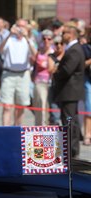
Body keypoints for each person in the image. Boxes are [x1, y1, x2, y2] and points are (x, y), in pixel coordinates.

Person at [53, 22, 85, 158]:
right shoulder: (73, 49)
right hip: (69, 91)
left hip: (69, 91)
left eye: (64, 33)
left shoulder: (75, 50)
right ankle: (72, 150)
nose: (62, 35)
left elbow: (67, 70)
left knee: (69, 121)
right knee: (71, 121)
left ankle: (71, 151)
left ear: (70, 34)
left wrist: (56, 72)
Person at [0, 18, 36, 126]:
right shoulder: (9, 39)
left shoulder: (28, 40)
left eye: (23, 26)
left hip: (23, 75)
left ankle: (17, 129)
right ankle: (5, 130)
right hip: (8, 75)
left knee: (21, 106)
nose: (20, 28)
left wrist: (27, 37)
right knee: (6, 106)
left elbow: (35, 54)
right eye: (18, 25)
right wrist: (9, 34)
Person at [32, 29, 54, 125]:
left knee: (46, 105)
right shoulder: (39, 51)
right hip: (39, 81)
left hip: (50, 81)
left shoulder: (54, 51)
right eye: (44, 39)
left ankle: (45, 125)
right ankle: (39, 125)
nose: (46, 41)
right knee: (39, 104)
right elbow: (35, 65)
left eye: (49, 39)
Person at [48, 35, 65, 125]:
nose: (59, 45)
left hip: (66, 86)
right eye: (56, 43)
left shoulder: (68, 55)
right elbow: (50, 70)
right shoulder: (51, 56)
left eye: (61, 43)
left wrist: (57, 66)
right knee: (54, 109)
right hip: (55, 85)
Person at [79, 34, 91, 145]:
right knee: (89, 107)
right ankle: (87, 134)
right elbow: (81, 64)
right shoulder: (85, 48)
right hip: (88, 80)